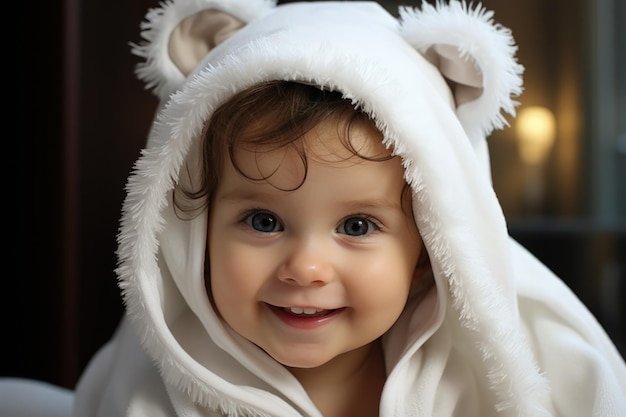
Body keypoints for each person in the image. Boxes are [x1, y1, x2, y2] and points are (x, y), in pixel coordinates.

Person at [2, 0, 625, 416]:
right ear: (194, 232)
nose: (305, 266)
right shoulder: (145, 382)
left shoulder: (515, 368)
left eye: (357, 226)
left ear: (430, 249)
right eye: (263, 220)